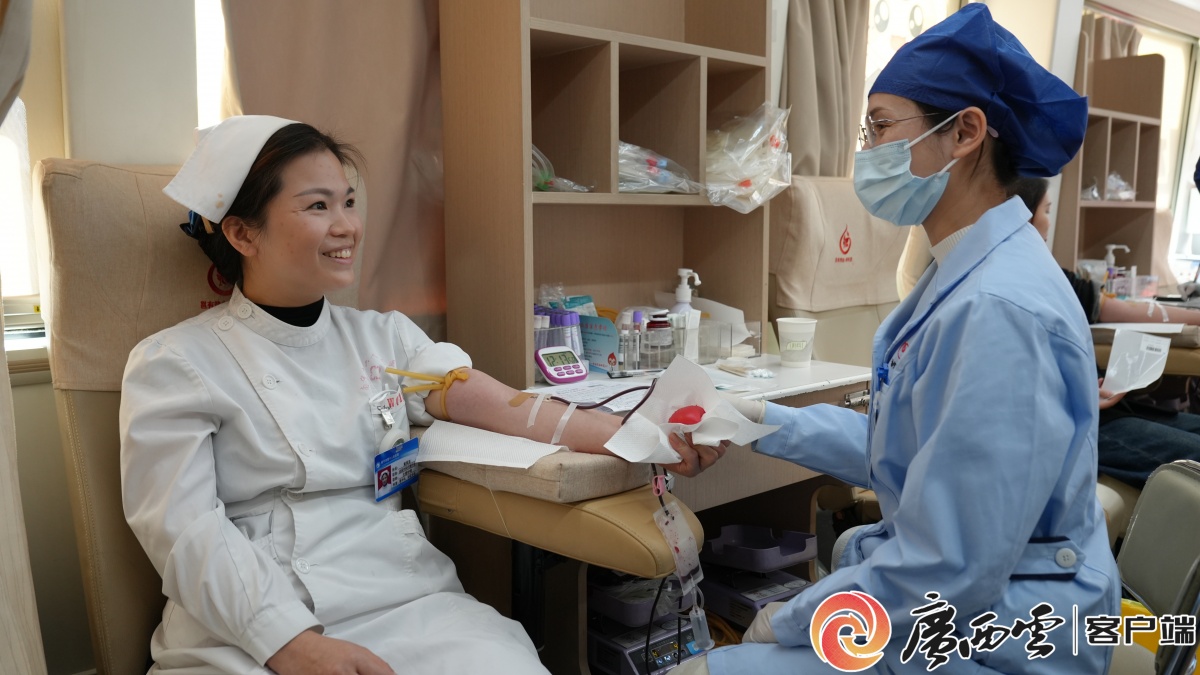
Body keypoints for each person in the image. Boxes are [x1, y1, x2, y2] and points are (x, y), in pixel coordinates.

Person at [119, 115, 725, 674]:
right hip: (248, 620)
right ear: (242, 233)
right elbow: (184, 531)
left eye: (348, 201)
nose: (347, 225)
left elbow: (493, 403)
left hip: (402, 597)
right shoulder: (176, 361)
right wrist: (293, 645)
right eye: (318, 205)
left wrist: (639, 436)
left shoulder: (382, 336)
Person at [681, 5, 1117, 674]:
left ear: (965, 132)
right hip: (972, 596)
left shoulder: (998, 310)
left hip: (1004, 635)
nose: (867, 152)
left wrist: (796, 617)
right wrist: (759, 418)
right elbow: (911, 452)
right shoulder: (967, 272)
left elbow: (949, 564)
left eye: (881, 127)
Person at [1014, 175, 1200, 489]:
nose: (1048, 223)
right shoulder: (1004, 288)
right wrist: (1078, 393)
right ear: (1023, 217)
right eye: (1047, 211)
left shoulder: (1046, 273)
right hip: (1073, 419)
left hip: (1097, 406)